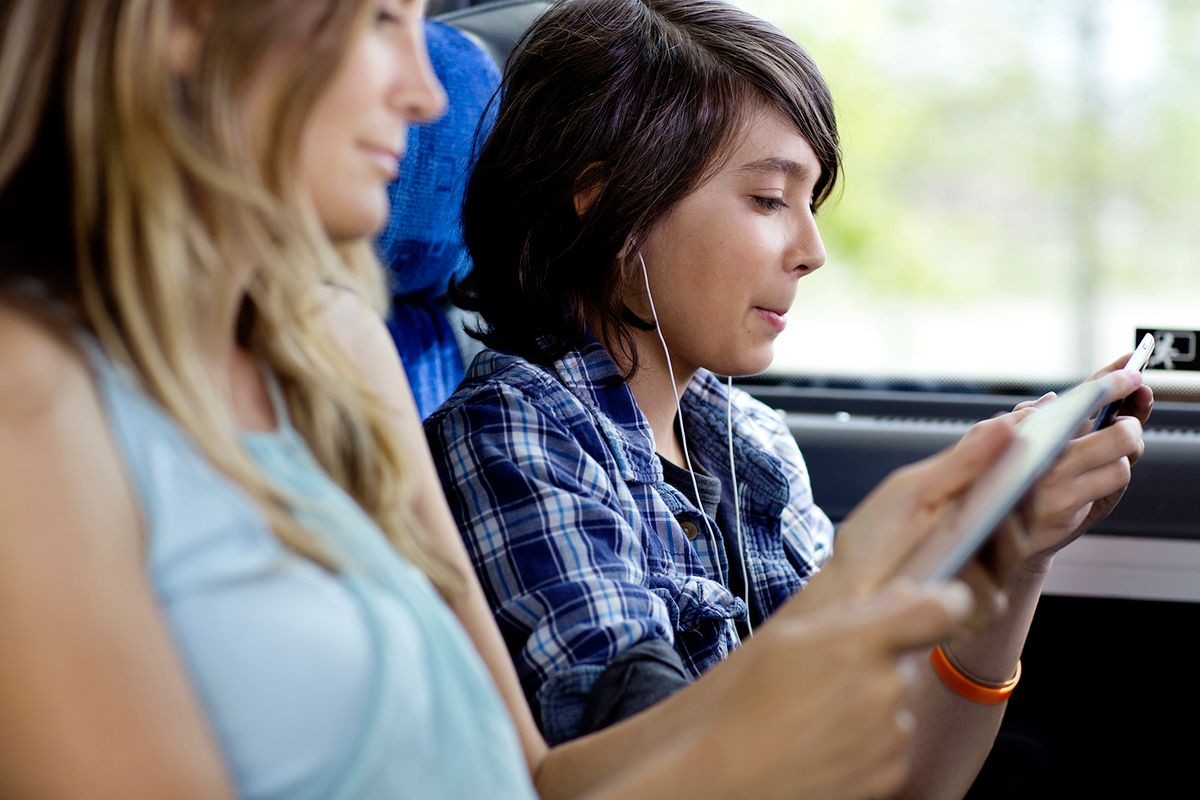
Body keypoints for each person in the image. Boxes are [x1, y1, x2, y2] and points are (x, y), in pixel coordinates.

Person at [0, 1, 1040, 799]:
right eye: (377, 20)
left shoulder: (345, 354)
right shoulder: (31, 399)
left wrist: (963, 582)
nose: (429, 92)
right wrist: (790, 678)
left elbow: (521, 774)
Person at [425, 0, 1153, 793]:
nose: (811, 252)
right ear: (605, 202)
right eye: (770, 199)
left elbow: (912, 784)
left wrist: (1013, 560)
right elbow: (648, 770)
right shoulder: (516, 435)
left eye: (811, 204)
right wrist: (867, 588)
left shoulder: (751, 441)